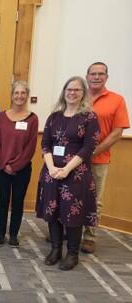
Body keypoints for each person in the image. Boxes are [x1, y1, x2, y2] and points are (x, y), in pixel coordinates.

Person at [36, 76, 100, 271]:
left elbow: (88, 148)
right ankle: (56, 249)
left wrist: (66, 169)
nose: (72, 93)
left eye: (76, 90)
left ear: (83, 93)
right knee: (53, 212)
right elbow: (45, 144)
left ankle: (72, 254)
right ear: (64, 92)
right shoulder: (54, 116)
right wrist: (52, 168)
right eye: (69, 89)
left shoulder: (89, 117)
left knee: (73, 214)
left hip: (76, 174)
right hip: (52, 173)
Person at [81, 62, 130, 253]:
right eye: (93, 73)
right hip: (74, 158)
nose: (96, 77)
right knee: (70, 195)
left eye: (101, 74)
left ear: (106, 77)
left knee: (94, 200)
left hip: (98, 159)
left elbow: (117, 132)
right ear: (87, 76)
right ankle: (69, 230)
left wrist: (94, 151)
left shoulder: (116, 100)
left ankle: (90, 237)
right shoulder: (78, 96)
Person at [0, 80, 38, 248]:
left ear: (27, 95)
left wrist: (16, 166)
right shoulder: (1, 117)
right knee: (2, 200)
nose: (19, 96)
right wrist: (4, 164)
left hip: (22, 170)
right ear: (12, 95)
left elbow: (31, 146)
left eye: (23, 93)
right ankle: (0, 234)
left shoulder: (33, 119)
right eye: (16, 93)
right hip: (2, 168)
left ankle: (13, 235)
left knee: (17, 202)